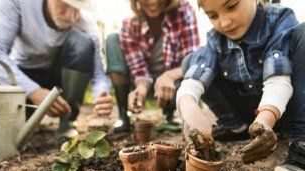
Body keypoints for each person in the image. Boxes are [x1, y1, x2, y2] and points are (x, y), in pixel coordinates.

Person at [177, 0, 305, 170]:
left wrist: (264, 121)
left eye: (231, 6)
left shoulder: (279, 19)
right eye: (213, 15)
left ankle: (301, 143)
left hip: (286, 109)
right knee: (190, 62)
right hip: (251, 116)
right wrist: (191, 111)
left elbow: (278, 81)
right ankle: (236, 128)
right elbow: (191, 82)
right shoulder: (216, 38)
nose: (224, 22)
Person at [0, 0, 112, 138]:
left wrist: (102, 93)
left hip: (56, 80)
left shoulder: (86, 24)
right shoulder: (16, 3)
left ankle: (67, 123)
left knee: (82, 43)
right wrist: (32, 90)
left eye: (78, 8)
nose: (71, 16)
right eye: (66, 4)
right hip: (22, 75)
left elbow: (99, 75)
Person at [106, 0, 200, 133]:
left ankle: (170, 113)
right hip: (145, 84)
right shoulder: (129, 24)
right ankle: (123, 114)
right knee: (112, 39)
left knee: (191, 80)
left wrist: (168, 76)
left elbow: (192, 60)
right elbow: (138, 69)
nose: (153, 1)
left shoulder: (184, 11)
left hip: (174, 83)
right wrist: (141, 88)